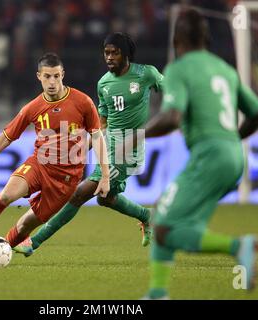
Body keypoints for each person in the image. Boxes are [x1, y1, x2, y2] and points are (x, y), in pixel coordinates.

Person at [143, 9, 258, 299]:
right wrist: (230, 140)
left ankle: (239, 247)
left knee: (162, 224)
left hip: (210, 156)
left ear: (177, 40)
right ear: (206, 39)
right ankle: (158, 293)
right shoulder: (224, 69)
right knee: (166, 214)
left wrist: (139, 134)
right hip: (234, 157)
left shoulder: (179, 68)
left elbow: (172, 117)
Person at [16, 32, 164, 257]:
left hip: (128, 149)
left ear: (125, 54)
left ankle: (34, 242)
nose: (110, 57)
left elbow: (173, 94)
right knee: (106, 199)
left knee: (79, 193)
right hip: (108, 147)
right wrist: (82, 146)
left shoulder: (146, 74)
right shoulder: (103, 83)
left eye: (115, 52)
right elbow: (101, 124)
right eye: (106, 53)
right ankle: (147, 216)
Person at [0, 53, 110, 248]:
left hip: (66, 179)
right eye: (47, 76)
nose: (52, 81)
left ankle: (3, 249)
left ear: (63, 74)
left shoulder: (83, 102)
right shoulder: (33, 108)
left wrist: (105, 175)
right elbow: (6, 137)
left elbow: (97, 137)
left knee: (24, 226)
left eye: (56, 76)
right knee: (6, 195)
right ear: (39, 76)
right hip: (40, 165)